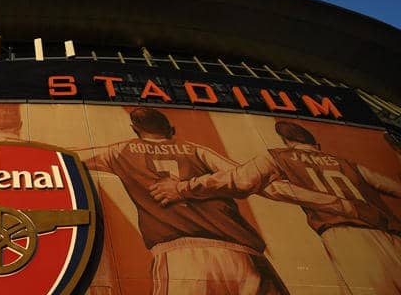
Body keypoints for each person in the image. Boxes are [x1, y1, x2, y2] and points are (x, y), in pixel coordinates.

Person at [81, 108, 359, 295]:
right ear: (171, 128)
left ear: (134, 129)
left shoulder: (119, 151)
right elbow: (266, 187)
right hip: (243, 254)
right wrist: (336, 203)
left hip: (181, 257)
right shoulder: (197, 151)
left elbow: (71, 156)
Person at [149, 121, 401, 295]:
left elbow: (239, 180)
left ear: (287, 141)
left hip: (347, 234)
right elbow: (392, 186)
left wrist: (182, 187)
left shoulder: (278, 156)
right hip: (392, 233)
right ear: (315, 144)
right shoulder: (346, 163)